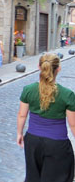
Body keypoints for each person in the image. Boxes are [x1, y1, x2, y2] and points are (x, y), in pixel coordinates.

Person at [17, 53, 75, 182]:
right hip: (57, 144)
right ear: (58, 69)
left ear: (39, 67)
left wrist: (19, 134)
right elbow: (73, 125)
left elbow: (22, 115)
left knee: (33, 177)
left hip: (32, 142)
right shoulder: (68, 95)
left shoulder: (28, 90)